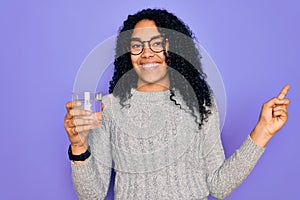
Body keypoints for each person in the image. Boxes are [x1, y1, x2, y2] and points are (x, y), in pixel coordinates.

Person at [64, 8, 290, 200]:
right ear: (128, 52)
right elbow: (92, 195)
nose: (146, 54)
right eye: (136, 46)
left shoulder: (201, 101)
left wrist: (263, 131)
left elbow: (218, 186)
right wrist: (78, 147)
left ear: (172, 46)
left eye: (156, 44)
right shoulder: (108, 108)